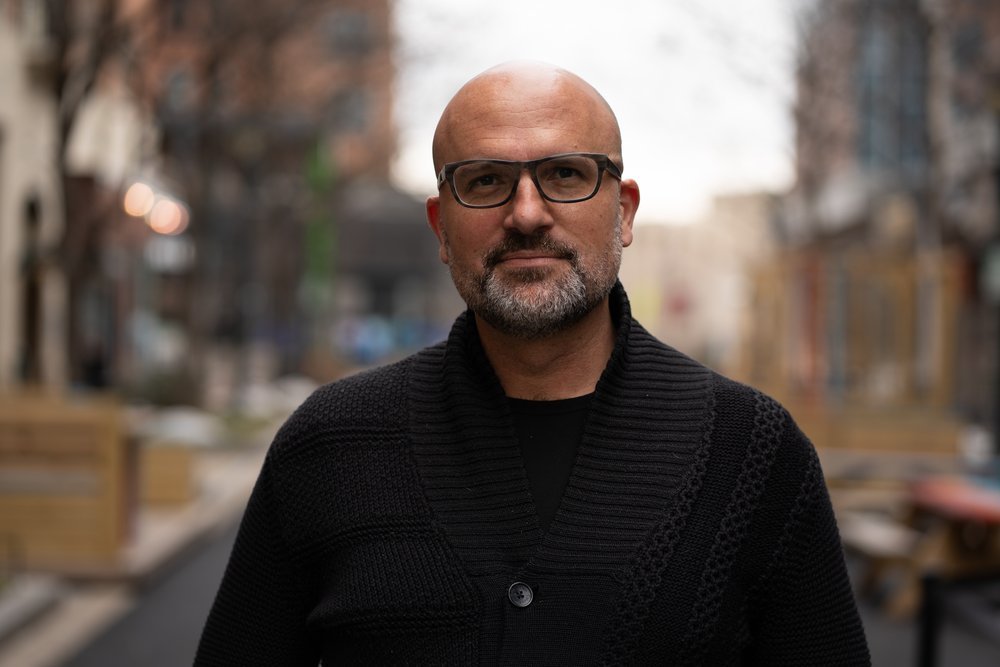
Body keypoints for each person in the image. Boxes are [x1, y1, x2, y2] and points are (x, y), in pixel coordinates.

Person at [195, 61, 870, 666]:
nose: (526, 214)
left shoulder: (753, 451)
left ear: (624, 212)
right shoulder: (328, 445)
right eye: (485, 180)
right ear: (439, 225)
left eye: (566, 174)